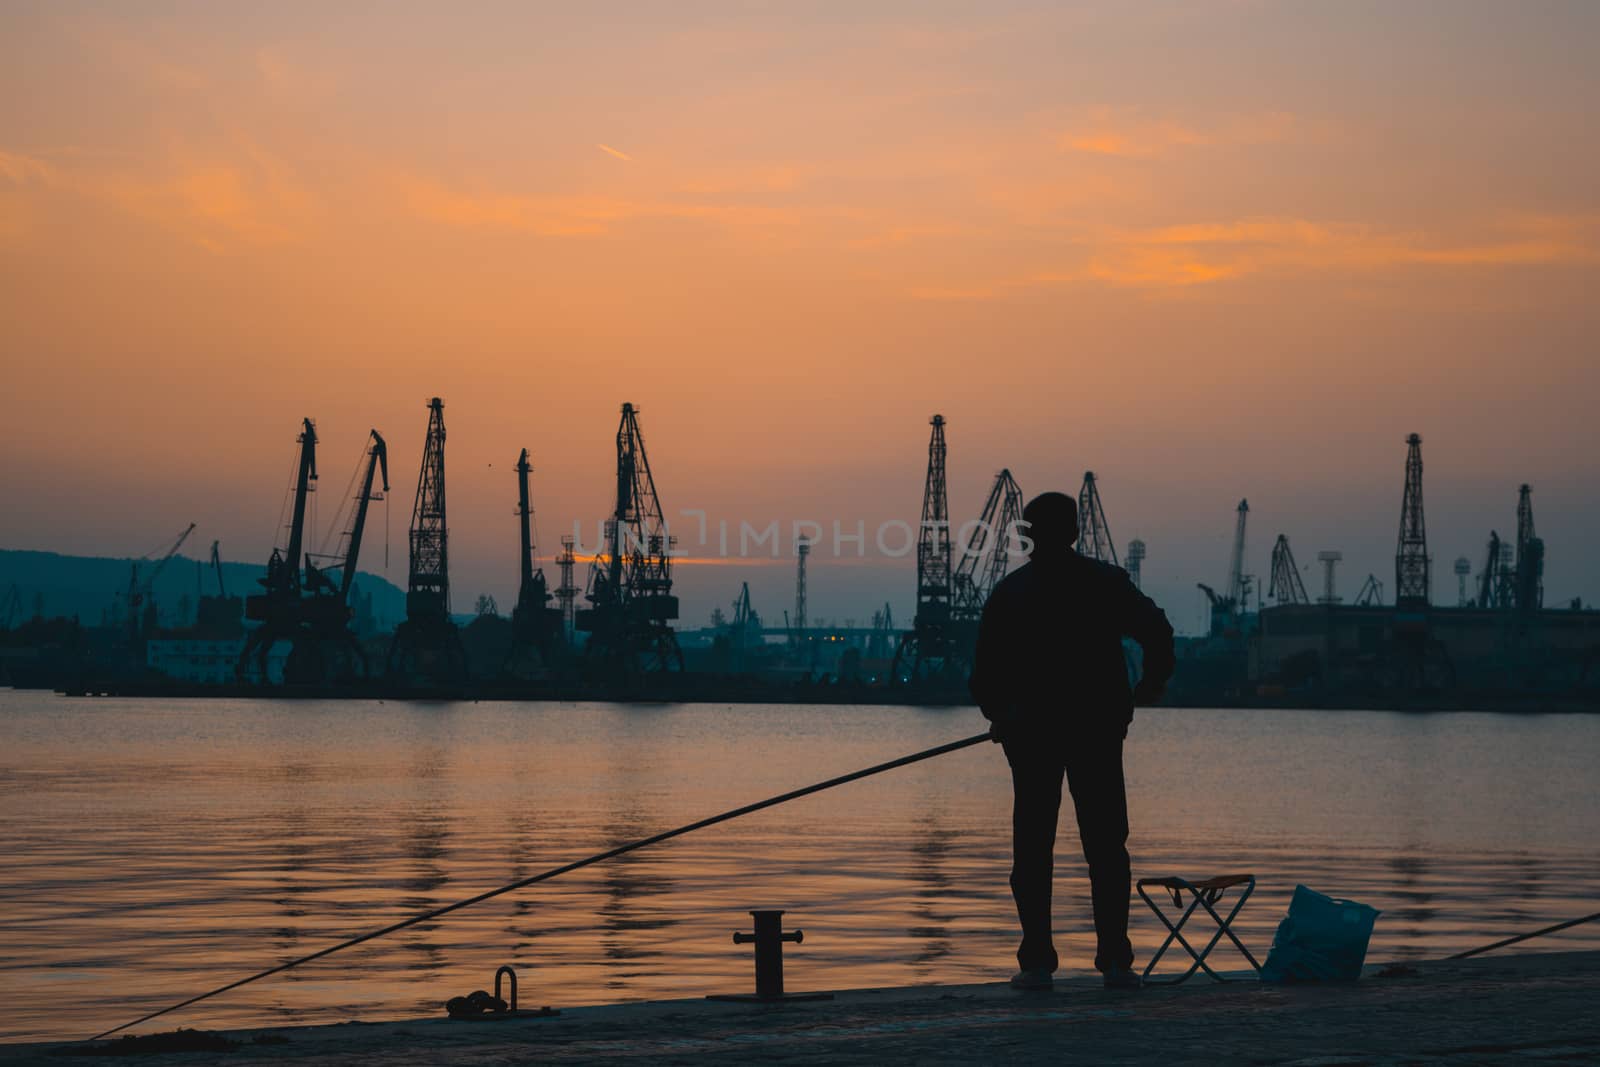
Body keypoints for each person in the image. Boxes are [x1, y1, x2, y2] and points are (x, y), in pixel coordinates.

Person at [969, 491, 1175, 990]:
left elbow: (984, 673)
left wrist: (1001, 716)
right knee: (1106, 848)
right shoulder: (1105, 584)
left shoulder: (1011, 593)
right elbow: (1158, 632)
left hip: (1033, 736)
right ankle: (1115, 961)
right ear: (1076, 530)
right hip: (1096, 731)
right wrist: (1146, 688)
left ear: (1028, 534)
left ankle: (1037, 963)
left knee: (1033, 850)